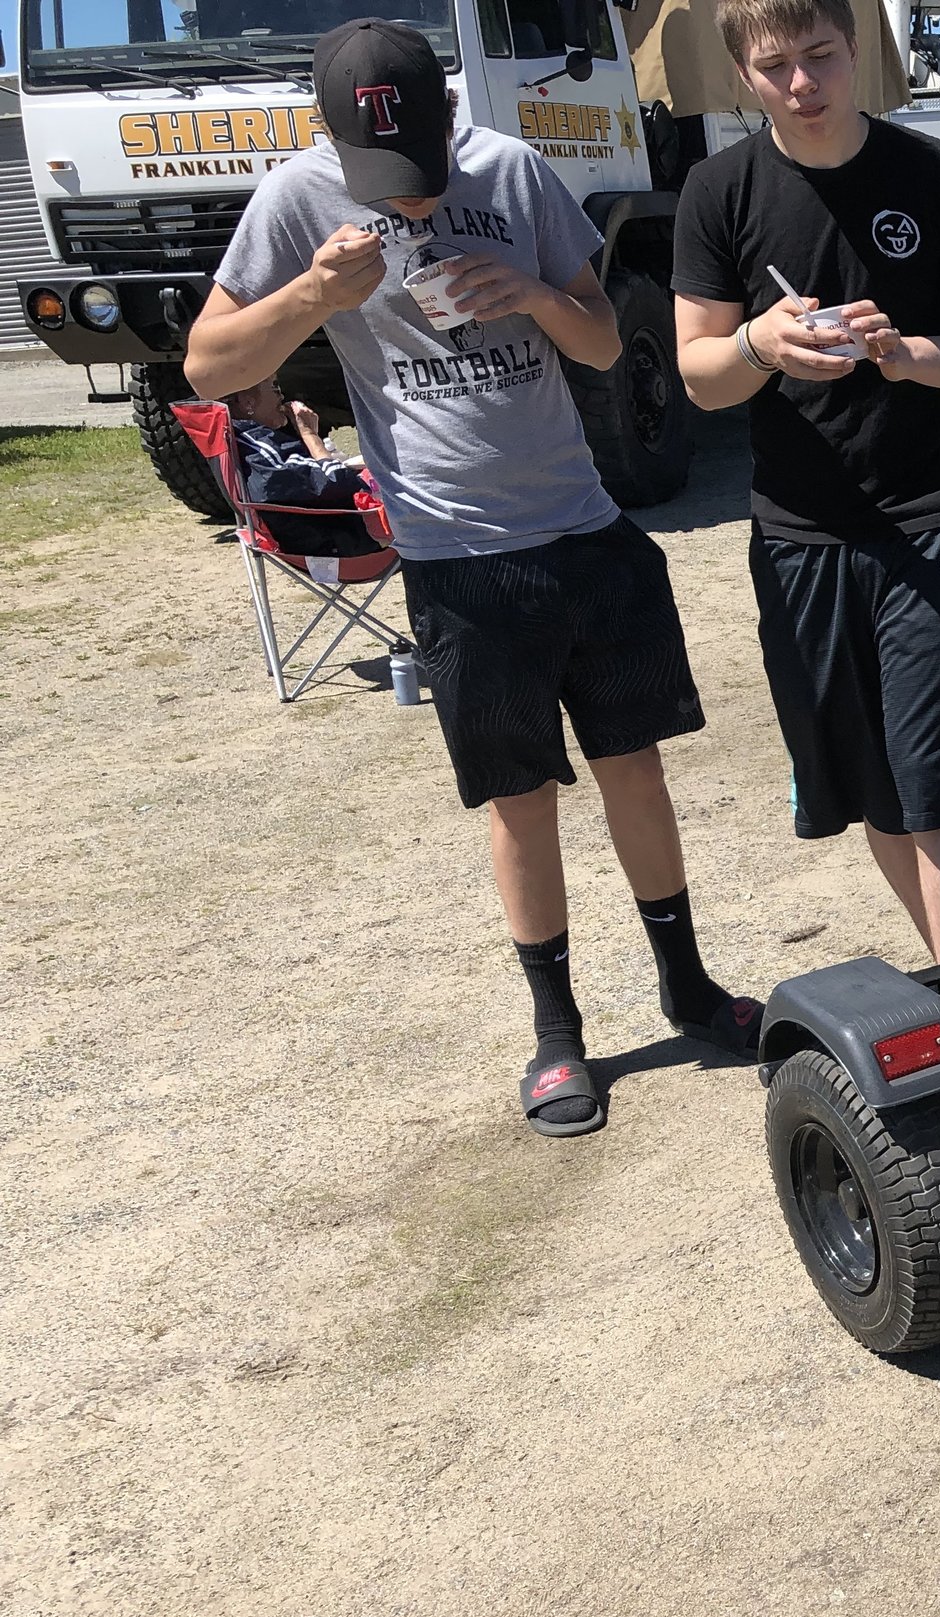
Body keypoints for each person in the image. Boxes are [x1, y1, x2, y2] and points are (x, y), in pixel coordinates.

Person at [187, 17, 755, 1141]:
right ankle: (557, 1034)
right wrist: (312, 296)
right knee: (519, 801)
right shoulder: (298, 201)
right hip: (456, 558)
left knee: (634, 770)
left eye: (419, 171)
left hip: (583, 533)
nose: (404, 201)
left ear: (451, 118)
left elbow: (602, 344)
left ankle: (685, 985)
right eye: (379, 180)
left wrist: (533, 295)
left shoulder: (510, 168)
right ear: (333, 141)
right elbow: (209, 366)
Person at [674, 0, 940, 988]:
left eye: (819, 56)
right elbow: (699, 372)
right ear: (743, 73)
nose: (801, 83)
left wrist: (909, 356)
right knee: (869, 785)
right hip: (799, 532)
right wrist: (760, 344)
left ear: (856, 48)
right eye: (774, 65)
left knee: (936, 779)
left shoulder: (932, 175)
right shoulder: (719, 191)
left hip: (929, 516)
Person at [222, 375, 376, 558]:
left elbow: (308, 476)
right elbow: (339, 483)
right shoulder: (258, 447)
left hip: (326, 534)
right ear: (248, 402)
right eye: (275, 388)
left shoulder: (246, 441)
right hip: (335, 542)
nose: (281, 396)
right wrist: (310, 434)